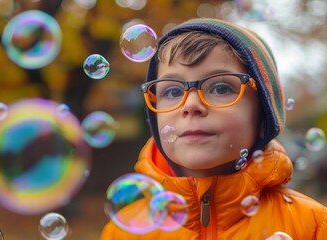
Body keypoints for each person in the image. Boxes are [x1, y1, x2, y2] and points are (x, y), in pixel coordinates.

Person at [100, 18, 327, 239]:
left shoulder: (314, 226)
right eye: (173, 91)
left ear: (262, 115)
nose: (191, 105)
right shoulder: (122, 232)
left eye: (219, 88)